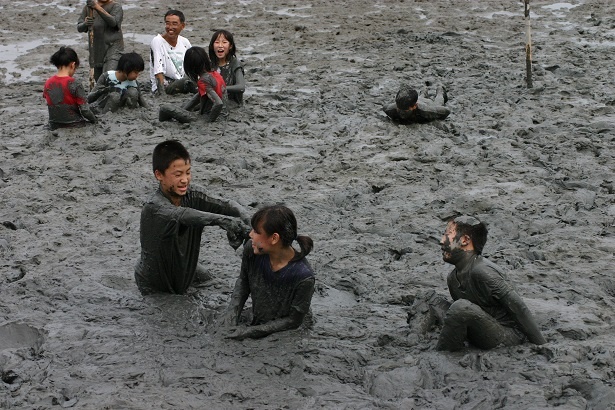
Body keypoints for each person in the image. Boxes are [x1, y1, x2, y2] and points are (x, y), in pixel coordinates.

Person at [134, 140, 251, 295]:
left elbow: (226, 204)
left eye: (188, 172)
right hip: (155, 283)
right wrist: (224, 221)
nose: (184, 180)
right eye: (178, 174)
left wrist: (248, 222)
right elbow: (182, 215)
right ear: (159, 175)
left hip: (185, 268)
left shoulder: (194, 195)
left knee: (213, 282)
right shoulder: (153, 207)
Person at [436, 215, 546, 351]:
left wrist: (541, 346)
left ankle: (442, 354)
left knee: (460, 307)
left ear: (464, 240)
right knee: (431, 300)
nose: (441, 241)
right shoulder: (452, 278)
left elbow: (519, 308)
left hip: (507, 336)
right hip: (481, 327)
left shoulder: (482, 271)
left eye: (447, 236)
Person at [221, 205, 315, 340]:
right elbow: (243, 280)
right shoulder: (251, 249)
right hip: (260, 317)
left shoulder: (303, 277)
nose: (250, 234)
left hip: (287, 334)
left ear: (274, 238)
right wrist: (232, 312)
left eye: (256, 231)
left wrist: (250, 332)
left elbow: (293, 321)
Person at [158, 47, 226, 123]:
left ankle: (163, 124)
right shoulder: (216, 74)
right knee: (182, 107)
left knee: (164, 108)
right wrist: (183, 110)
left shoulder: (203, 81)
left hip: (202, 119)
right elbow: (198, 97)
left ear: (190, 67)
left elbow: (219, 103)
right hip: (221, 115)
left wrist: (208, 122)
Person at [43, 46, 97, 130]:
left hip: (54, 125)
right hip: (74, 125)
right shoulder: (75, 83)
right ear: (73, 65)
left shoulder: (48, 83)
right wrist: (95, 121)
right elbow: (85, 110)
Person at [149, 10, 196, 95]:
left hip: (181, 84)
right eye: (167, 23)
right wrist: (162, 95)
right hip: (166, 86)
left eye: (174, 24)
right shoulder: (157, 41)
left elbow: (194, 66)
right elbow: (158, 72)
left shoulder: (185, 42)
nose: (170, 27)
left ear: (182, 26)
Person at [77, 0, 124, 83]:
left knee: (109, 77)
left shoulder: (115, 6)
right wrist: (85, 23)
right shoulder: (89, 8)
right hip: (96, 51)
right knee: (99, 82)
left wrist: (97, 7)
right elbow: (79, 27)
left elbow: (114, 23)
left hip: (113, 48)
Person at [209, 29, 245, 106]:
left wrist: (221, 88)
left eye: (224, 42)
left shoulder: (235, 63)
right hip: (213, 100)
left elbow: (241, 87)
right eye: (217, 42)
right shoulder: (210, 65)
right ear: (212, 46)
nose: (220, 45)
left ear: (230, 46)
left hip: (233, 103)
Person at [384, 84, 450, 124]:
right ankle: (424, 89)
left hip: (427, 103)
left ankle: (439, 90)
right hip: (417, 100)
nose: (402, 114)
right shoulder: (390, 109)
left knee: (438, 102)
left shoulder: (426, 111)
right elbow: (385, 107)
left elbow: (446, 111)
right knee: (421, 96)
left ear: (415, 106)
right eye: (399, 109)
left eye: (405, 111)